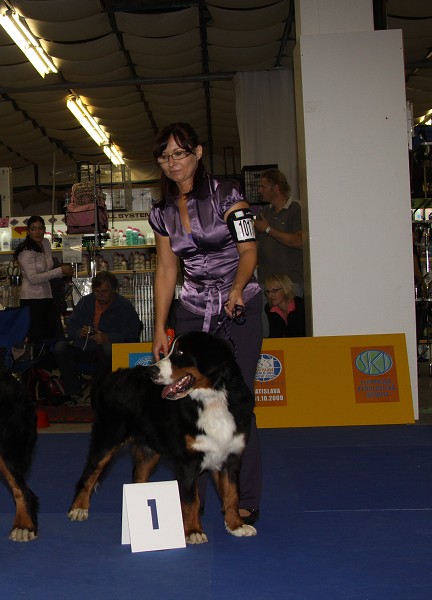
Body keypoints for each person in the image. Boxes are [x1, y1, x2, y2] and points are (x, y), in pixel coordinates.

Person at [148, 121, 263, 526]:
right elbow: (166, 270)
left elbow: (248, 250)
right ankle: (191, 497)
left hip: (239, 305)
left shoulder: (228, 194)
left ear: (198, 153)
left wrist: (236, 289)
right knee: (190, 400)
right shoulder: (161, 213)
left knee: (237, 399)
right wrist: (160, 327)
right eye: (164, 156)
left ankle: (244, 495)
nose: (172, 162)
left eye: (179, 153)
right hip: (194, 308)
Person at [54, 271, 141, 402]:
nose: (100, 295)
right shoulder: (86, 302)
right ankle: (73, 391)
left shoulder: (124, 306)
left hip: (109, 351)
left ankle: (100, 393)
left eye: (104, 291)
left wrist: (107, 338)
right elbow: (71, 326)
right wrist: (79, 332)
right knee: (60, 348)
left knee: (106, 349)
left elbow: (132, 333)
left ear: (113, 290)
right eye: (97, 291)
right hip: (85, 348)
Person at [15, 216, 73, 343]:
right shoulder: (26, 251)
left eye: (40, 228)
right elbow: (33, 279)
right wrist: (59, 271)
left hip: (47, 296)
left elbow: (48, 269)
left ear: (44, 229)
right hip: (31, 299)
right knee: (37, 339)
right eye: (33, 229)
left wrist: (61, 272)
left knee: (50, 337)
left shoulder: (46, 243)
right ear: (28, 231)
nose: (37, 232)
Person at [253, 168, 305, 296]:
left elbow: (299, 241)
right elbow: (256, 248)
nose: (260, 190)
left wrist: (268, 229)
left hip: (290, 283)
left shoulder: (296, 209)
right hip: (266, 283)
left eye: (263, 186)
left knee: (294, 316)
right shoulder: (264, 212)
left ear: (276, 187)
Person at [264, 273, 306, 338]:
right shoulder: (269, 309)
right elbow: (275, 335)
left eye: (274, 291)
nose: (270, 295)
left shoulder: (301, 305)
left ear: (285, 289)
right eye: (267, 291)